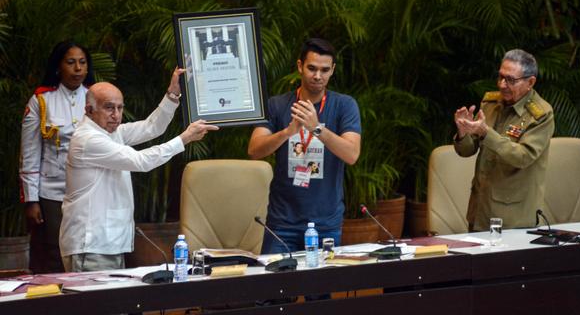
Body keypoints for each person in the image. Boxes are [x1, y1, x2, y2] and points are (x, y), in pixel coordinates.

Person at [59, 68, 219, 272]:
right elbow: (141, 161)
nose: (116, 115)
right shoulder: (88, 139)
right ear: (89, 110)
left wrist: (172, 95)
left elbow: (151, 127)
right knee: (95, 305)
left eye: (119, 108)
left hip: (109, 243)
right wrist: (184, 138)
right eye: (109, 108)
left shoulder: (110, 131)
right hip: (90, 244)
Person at [248, 38, 361, 254]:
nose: (318, 76)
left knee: (320, 288)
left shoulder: (344, 105)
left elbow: (352, 154)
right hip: (282, 222)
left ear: (332, 70)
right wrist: (287, 132)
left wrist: (316, 129)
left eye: (324, 70)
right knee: (274, 286)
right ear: (300, 66)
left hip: (325, 222)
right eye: (312, 68)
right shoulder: (277, 104)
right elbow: (254, 150)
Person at [454, 49, 555, 231]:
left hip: (512, 217)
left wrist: (486, 133)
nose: (502, 85)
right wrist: (463, 133)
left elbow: (523, 157)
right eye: (500, 77)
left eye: (511, 80)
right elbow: (467, 150)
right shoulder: (491, 104)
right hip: (480, 209)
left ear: (530, 82)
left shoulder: (541, 115)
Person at [19, 41, 95, 273]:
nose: (77, 69)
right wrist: (32, 200)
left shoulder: (96, 97)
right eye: (71, 62)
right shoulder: (41, 101)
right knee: (55, 252)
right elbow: (29, 154)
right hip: (53, 191)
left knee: (88, 250)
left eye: (82, 63)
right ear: (58, 66)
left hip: (90, 189)